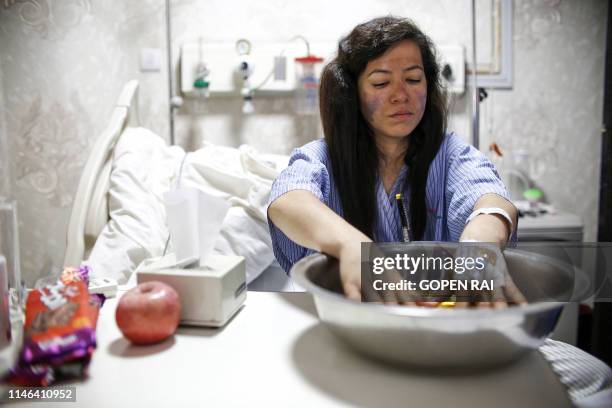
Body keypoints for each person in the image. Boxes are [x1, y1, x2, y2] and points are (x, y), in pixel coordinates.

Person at [267, 16, 516, 302]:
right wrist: (353, 245)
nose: (401, 95)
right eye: (381, 82)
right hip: (345, 328)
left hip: (439, 332)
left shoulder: (450, 155)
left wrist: (481, 244)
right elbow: (288, 200)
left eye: (413, 79)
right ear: (352, 93)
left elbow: (489, 198)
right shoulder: (320, 159)